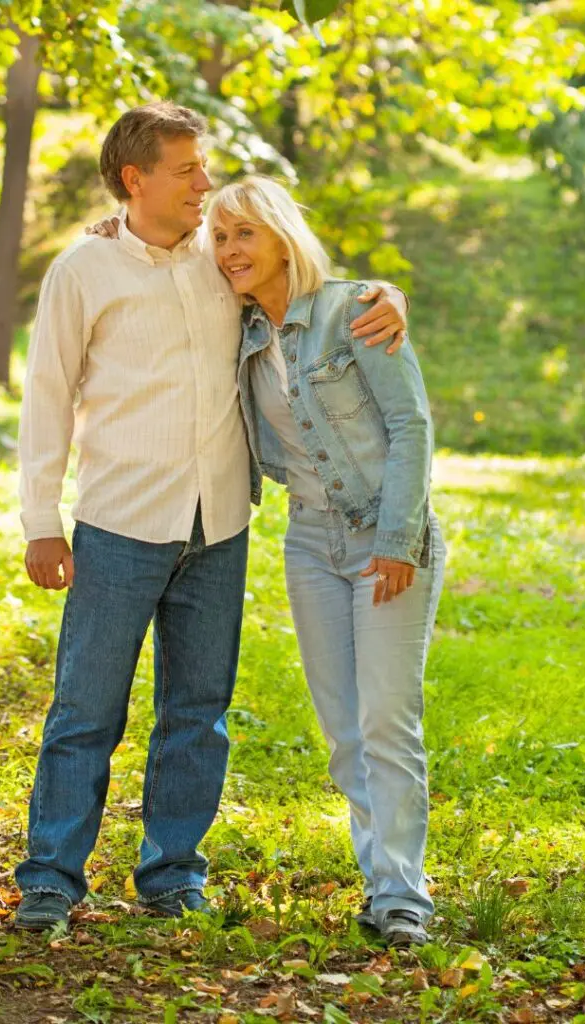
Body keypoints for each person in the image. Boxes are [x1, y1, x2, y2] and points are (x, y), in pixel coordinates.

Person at [14, 101, 409, 930]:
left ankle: (171, 876)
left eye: (205, 166)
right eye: (188, 169)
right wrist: (40, 519)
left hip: (220, 524)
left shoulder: (223, 259)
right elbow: (47, 394)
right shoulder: (81, 272)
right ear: (136, 179)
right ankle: (51, 876)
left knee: (198, 712)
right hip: (119, 522)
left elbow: (310, 288)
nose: (206, 182)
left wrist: (388, 295)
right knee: (86, 709)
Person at [209, 176, 445, 948]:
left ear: (281, 235)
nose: (229, 251)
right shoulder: (239, 328)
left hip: (385, 536)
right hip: (309, 540)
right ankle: (381, 884)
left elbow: (410, 426)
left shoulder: (352, 311)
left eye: (244, 233)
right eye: (219, 237)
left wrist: (397, 541)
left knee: (386, 717)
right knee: (344, 729)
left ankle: (403, 894)